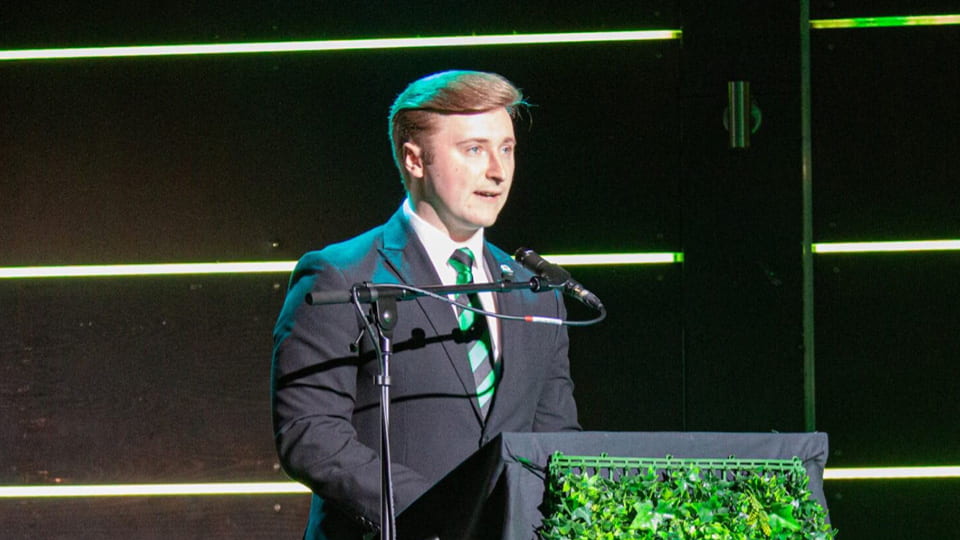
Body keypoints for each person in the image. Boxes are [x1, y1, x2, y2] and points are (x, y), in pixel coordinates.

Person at [272, 70, 580, 539]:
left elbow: (554, 442)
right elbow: (311, 435)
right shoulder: (343, 275)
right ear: (415, 160)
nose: (497, 171)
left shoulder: (533, 289)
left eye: (507, 148)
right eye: (474, 149)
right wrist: (442, 513)